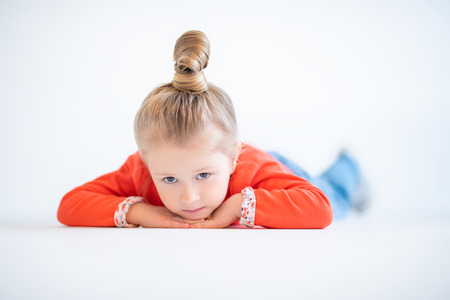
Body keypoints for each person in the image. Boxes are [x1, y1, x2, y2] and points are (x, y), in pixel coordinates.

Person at [57, 30, 368, 229]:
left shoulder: (250, 167)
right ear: (147, 163)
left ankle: (349, 164)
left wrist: (236, 207)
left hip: (278, 170)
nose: (189, 197)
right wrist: (140, 213)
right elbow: (69, 206)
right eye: (169, 179)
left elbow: (320, 209)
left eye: (204, 175)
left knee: (335, 193)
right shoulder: (141, 170)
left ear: (233, 158)